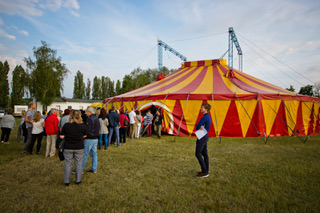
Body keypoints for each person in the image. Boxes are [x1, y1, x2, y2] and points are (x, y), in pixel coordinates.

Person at [60, 110, 87, 186]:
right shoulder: (83, 125)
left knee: (68, 164)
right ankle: (78, 180)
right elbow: (85, 136)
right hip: (79, 147)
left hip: (68, 147)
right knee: (78, 164)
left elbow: (61, 136)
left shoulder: (66, 125)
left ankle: (66, 181)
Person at [195, 103, 211, 178]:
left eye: (202, 108)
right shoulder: (208, 116)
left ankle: (204, 171)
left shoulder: (204, 117)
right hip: (205, 136)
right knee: (204, 154)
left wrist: (200, 126)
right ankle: (206, 171)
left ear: (206, 109)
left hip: (202, 137)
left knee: (197, 153)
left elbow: (197, 126)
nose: (201, 109)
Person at [81, 107, 100, 173]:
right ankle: (94, 168)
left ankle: (80, 169)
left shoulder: (89, 119)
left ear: (89, 112)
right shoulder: (96, 119)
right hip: (95, 138)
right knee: (94, 154)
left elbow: (87, 130)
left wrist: (85, 136)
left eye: (87, 112)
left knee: (85, 154)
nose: (86, 113)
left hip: (90, 139)